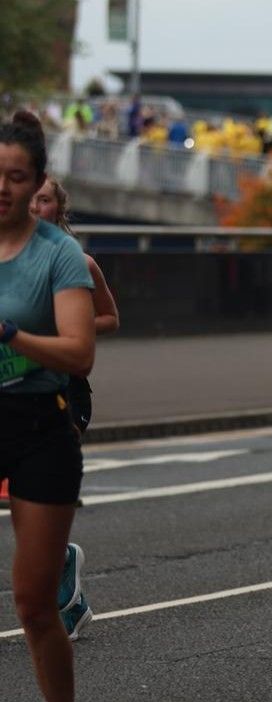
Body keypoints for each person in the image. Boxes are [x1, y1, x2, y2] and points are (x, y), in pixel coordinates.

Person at [0, 111, 96, 702]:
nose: (2, 187)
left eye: (15, 177)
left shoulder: (57, 252)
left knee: (33, 601)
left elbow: (79, 350)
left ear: (36, 184)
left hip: (39, 423)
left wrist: (11, 333)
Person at [30, 176, 120, 640]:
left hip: (64, 393)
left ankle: (63, 588)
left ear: (57, 208)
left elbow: (110, 316)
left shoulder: (78, 262)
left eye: (42, 200)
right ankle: (64, 566)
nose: (32, 207)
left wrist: (68, 329)